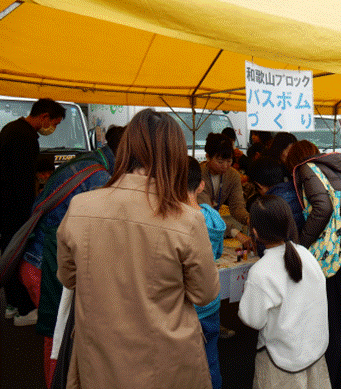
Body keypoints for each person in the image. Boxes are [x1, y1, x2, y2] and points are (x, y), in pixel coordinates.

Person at [57, 109, 219, 388]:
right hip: (166, 360)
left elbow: (68, 278)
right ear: (175, 155)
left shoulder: (81, 207)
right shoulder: (188, 218)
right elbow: (205, 293)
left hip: (99, 357)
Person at [17, 125, 125, 387]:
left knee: (58, 332)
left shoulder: (89, 160)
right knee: (59, 333)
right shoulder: (98, 177)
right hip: (44, 264)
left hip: (37, 257)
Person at [286, 140, 341, 389]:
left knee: (332, 327)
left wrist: (302, 243)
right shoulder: (340, 168)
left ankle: (329, 383)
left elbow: (322, 208)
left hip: (338, 258)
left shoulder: (307, 168)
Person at [238, 195, 331, 389]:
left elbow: (253, 320)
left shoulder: (260, 272)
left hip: (280, 361)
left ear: (255, 232)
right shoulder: (306, 255)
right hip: (314, 351)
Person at [1, 98, 66, 324]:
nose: (53, 128)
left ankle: (11, 303)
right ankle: (24, 309)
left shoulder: (11, 129)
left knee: (8, 250)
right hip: (14, 207)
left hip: (6, 205)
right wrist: (33, 211)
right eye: (54, 123)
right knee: (19, 253)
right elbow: (22, 180)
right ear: (44, 116)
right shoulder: (24, 137)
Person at [187, 156, 226, 389]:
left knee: (186, 368)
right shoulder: (212, 216)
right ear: (201, 185)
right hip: (211, 304)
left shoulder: (173, 219)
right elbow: (218, 253)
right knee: (211, 361)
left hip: (186, 307)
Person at [197, 133, 253, 251]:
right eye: (220, 161)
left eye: (229, 161)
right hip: (197, 227)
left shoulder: (233, 176)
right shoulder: (198, 176)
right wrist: (236, 233)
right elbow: (208, 214)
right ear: (208, 157)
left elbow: (237, 207)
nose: (225, 166)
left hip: (214, 226)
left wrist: (249, 220)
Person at [246, 155, 305, 255]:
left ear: (258, 185)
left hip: (281, 258)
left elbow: (263, 248)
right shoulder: (297, 191)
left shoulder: (266, 206)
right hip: (301, 251)